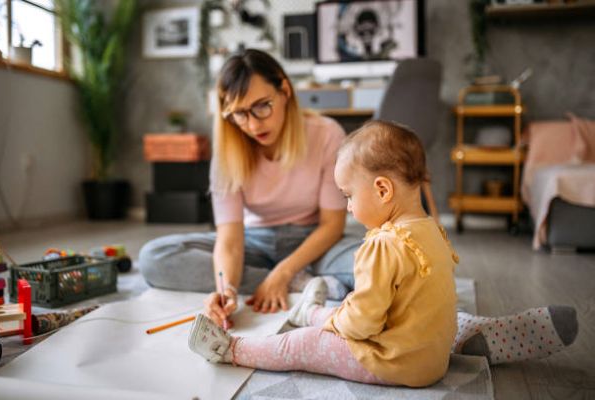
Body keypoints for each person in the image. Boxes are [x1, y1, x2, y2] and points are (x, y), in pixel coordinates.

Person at [187, 121, 578, 387]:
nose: (350, 208)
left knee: (302, 344)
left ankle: (230, 349)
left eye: (349, 197)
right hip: (432, 355)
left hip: (396, 363)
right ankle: (311, 307)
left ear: (382, 190)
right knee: (412, 309)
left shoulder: (381, 244)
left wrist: (333, 327)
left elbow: (362, 324)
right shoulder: (431, 230)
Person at [139, 48, 359, 325]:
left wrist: (283, 272)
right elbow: (230, 239)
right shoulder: (228, 150)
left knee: (378, 263)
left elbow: (332, 225)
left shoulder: (327, 134)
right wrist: (226, 289)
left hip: (315, 244)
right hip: (253, 243)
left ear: (285, 90)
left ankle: (288, 280)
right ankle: (308, 285)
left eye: (262, 106)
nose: (253, 124)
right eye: (240, 114)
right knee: (153, 258)